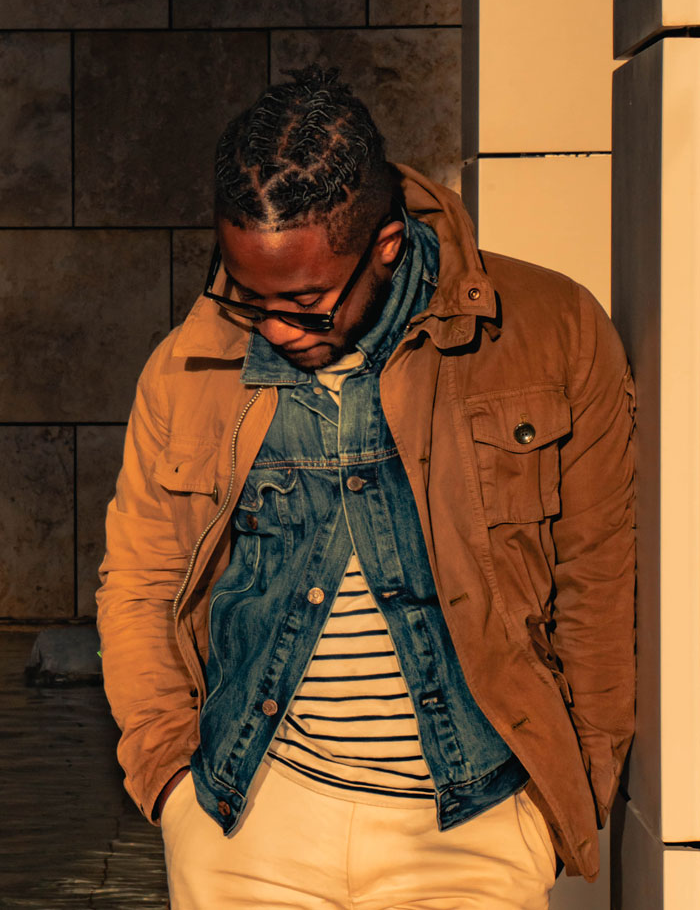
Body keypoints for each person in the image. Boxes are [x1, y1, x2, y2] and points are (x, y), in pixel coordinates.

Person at [97, 65, 635, 909]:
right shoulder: (186, 366)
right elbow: (139, 579)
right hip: (249, 825)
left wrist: (573, 790)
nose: (273, 327)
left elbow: (599, 573)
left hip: (476, 828)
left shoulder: (549, 330)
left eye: (305, 302)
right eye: (249, 297)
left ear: (384, 245)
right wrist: (171, 786)